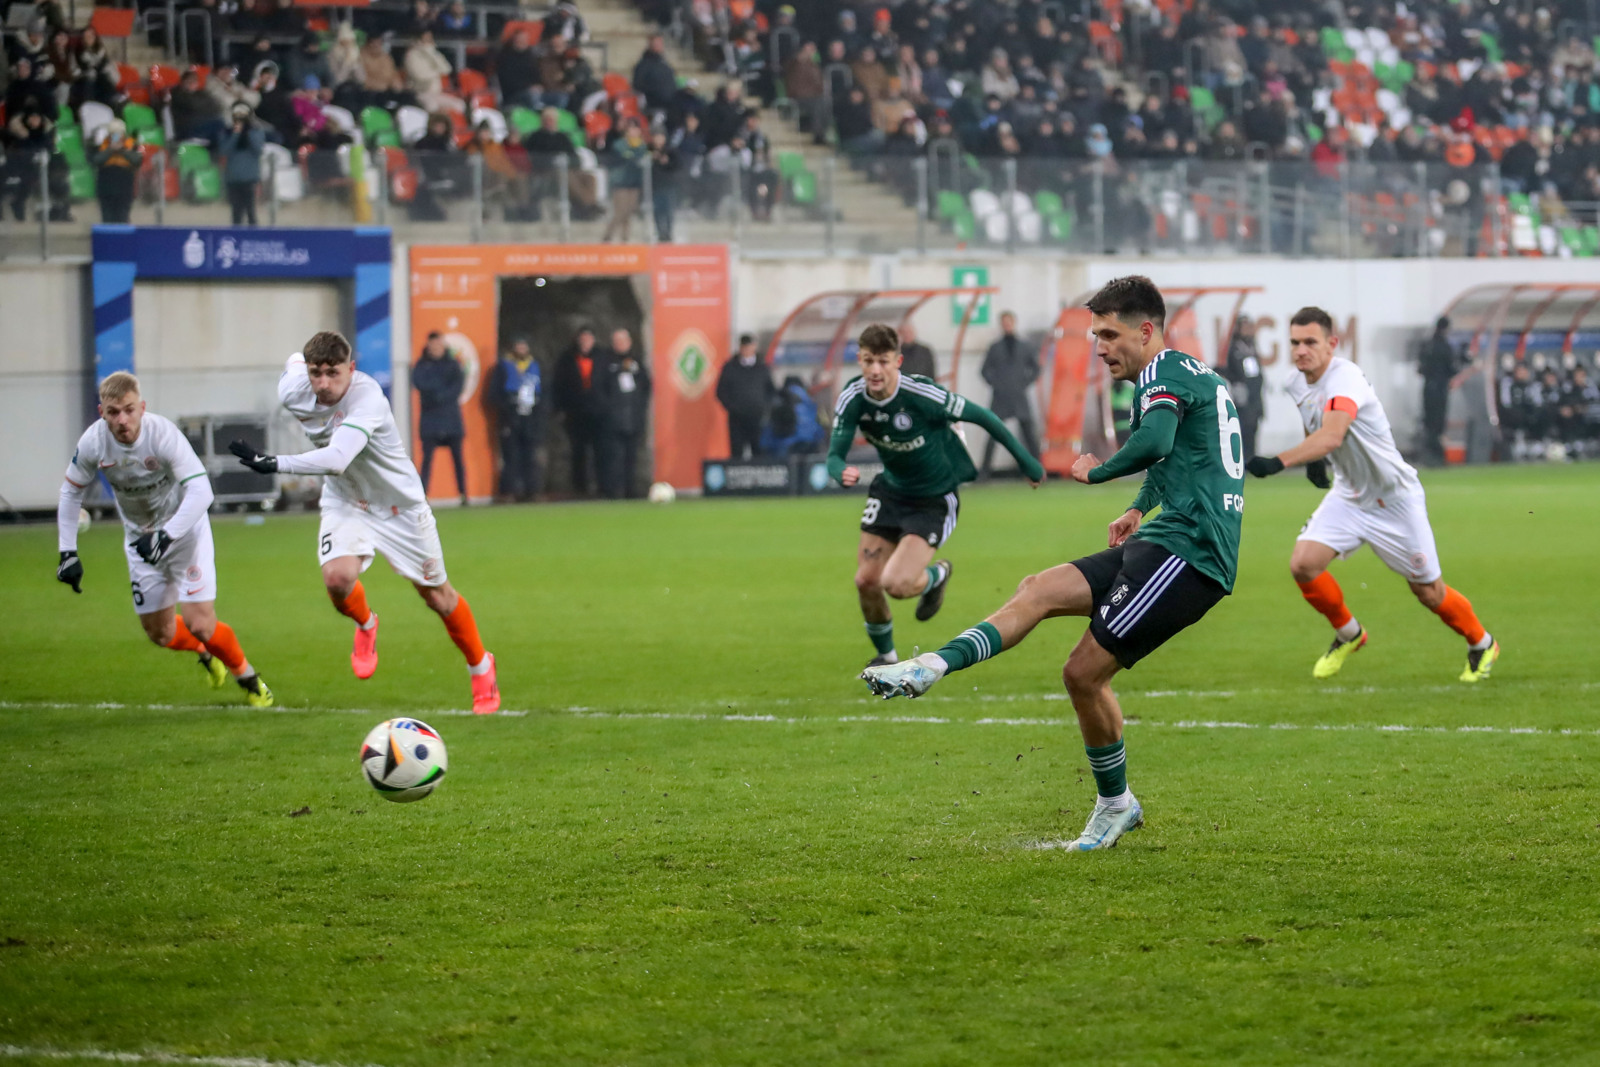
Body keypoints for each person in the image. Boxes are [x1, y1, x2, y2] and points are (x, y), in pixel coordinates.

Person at [862, 276, 1244, 853]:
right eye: (1095, 335)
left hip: (1191, 554)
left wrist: (1100, 470)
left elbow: (1156, 440)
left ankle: (1115, 805)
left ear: (1146, 331)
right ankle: (931, 666)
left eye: (1109, 334)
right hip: (1166, 537)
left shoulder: (1162, 372)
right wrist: (1138, 506)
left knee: (1082, 673)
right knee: (1037, 588)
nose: (1100, 346)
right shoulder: (1189, 375)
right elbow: (1177, 457)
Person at [229, 331, 500, 713]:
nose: (322, 383)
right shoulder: (294, 388)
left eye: (332, 373)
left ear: (351, 369)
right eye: (315, 373)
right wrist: (300, 366)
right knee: (337, 578)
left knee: (437, 596)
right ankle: (366, 623)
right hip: (346, 500)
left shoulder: (367, 398)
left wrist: (275, 462)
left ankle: (481, 665)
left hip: (399, 508)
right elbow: (293, 361)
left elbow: (338, 458)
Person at [1244, 307, 1499, 683]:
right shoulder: (1294, 381)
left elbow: (1332, 434)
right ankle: (1349, 633)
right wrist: (1316, 462)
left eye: (1310, 342)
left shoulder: (1345, 378)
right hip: (1349, 495)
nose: (1301, 350)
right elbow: (1313, 420)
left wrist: (1279, 462)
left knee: (1428, 592)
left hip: (1395, 500)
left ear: (1332, 344)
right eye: (1295, 342)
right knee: (1303, 564)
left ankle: (1482, 643)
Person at [831, 324, 1045, 669]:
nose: (874, 370)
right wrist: (839, 470)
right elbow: (835, 454)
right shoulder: (853, 397)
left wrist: (1027, 462)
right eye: (868, 361)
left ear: (897, 361)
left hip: (933, 498)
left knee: (897, 585)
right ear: (859, 359)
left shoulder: (921, 395)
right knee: (866, 580)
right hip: (890, 492)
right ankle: (886, 657)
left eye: (883, 361)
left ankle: (936, 576)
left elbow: (984, 417)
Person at [56, 372, 273, 707]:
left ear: (142, 407)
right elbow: (71, 492)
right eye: (113, 412)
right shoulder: (93, 443)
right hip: (140, 541)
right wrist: (67, 552)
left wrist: (168, 534)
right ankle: (204, 652)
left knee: (201, 622)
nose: (122, 420)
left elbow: (202, 491)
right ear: (102, 412)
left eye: (129, 410)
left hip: (185, 535)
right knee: (161, 633)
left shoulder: (163, 436)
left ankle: (249, 678)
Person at [978, 311, 1042, 476]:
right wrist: (997, 385)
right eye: (1004, 323)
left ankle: (1038, 469)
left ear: (1014, 323)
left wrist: (1024, 384)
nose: (1007, 325)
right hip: (1000, 397)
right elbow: (984, 370)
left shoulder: (1025, 346)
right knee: (993, 433)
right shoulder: (995, 347)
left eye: (1009, 322)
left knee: (1029, 435)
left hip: (1019, 396)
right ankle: (985, 472)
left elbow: (1036, 368)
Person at [595, 328, 652, 499]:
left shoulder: (637, 363)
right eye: (617, 341)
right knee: (613, 458)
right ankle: (613, 491)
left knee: (631, 457)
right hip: (613, 421)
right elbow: (599, 389)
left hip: (633, 420)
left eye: (623, 341)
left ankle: (630, 490)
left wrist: (639, 409)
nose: (621, 344)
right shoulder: (605, 362)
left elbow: (646, 387)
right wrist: (608, 410)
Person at [411, 331, 467, 504]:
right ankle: (423, 494)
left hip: (451, 419)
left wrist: (439, 393)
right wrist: (438, 390)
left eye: (438, 345)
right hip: (430, 420)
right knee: (427, 459)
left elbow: (456, 387)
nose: (436, 348)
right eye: (433, 345)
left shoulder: (453, 365)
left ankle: (464, 494)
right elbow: (420, 383)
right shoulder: (421, 365)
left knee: (458, 458)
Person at [488, 337, 545, 501]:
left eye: (523, 346)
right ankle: (510, 491)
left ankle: (532, 490)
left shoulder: (534, 366)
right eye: (518, 346)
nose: (521, 349)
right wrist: (507, 408)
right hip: (510, 417)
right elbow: (494, 395)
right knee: (511, 456)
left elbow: (542, 393)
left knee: (530, 456)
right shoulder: (504, 366)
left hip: (530, 417)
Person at [552, 326, 604, 495]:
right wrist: (560, 408)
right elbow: (559, 385)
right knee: (578, 452)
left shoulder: (602, 358)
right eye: (582, 339)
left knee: (601, 451)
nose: (585, 342)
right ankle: (580, 488)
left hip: (598, 414)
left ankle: (602, 486)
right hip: (575, 413)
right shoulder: (567, 359)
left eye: (588, 339)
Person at [715, 333, 773, 460]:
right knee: (736, 452)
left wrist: (764, 407)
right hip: (737, 418)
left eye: (750, 346)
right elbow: (720, 391)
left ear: (754, 347)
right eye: (744, 347)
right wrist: (732, 407)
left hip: (757, 417)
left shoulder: (762, 367)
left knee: (758, 450)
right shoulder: (730, 367)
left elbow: (771, 390)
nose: (747, 350)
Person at [1418, 316, 1462, 466]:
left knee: (1428, 422)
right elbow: (1452, 368)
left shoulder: (1427, 345)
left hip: (1427, 389)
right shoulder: (1445, 346)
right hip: (1440, 389)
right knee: (1438, 424)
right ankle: (1437, 456)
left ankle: (1427, 455)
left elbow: (1420, 369)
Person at [216, 103, 265, 226]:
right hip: (233, 178)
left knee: (251, 212)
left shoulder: (256, 131)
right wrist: (236, 134)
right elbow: (224, 151)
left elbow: (258, 150)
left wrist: (247, 133)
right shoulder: (226, 132)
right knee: (236, 212)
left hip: (250, 178)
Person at [1224, 315, 1264, 461]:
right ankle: (1242, 459)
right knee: (1243, 428)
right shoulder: (1235, 348)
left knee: (1253, 427)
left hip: (1255, 395)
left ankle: (1251, 458)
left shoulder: (1252, 347)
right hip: (1243, 395)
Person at [91, 120, 140, 224]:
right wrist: (110, 150)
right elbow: (96, 160)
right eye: (113, 133)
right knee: (107, 217)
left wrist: (122, 149)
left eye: (119, 133)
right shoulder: (101, 145)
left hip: (124, 185)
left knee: (122, 216)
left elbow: (137, 160)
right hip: (106, 185)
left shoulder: (132, 145)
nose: (116, 136)